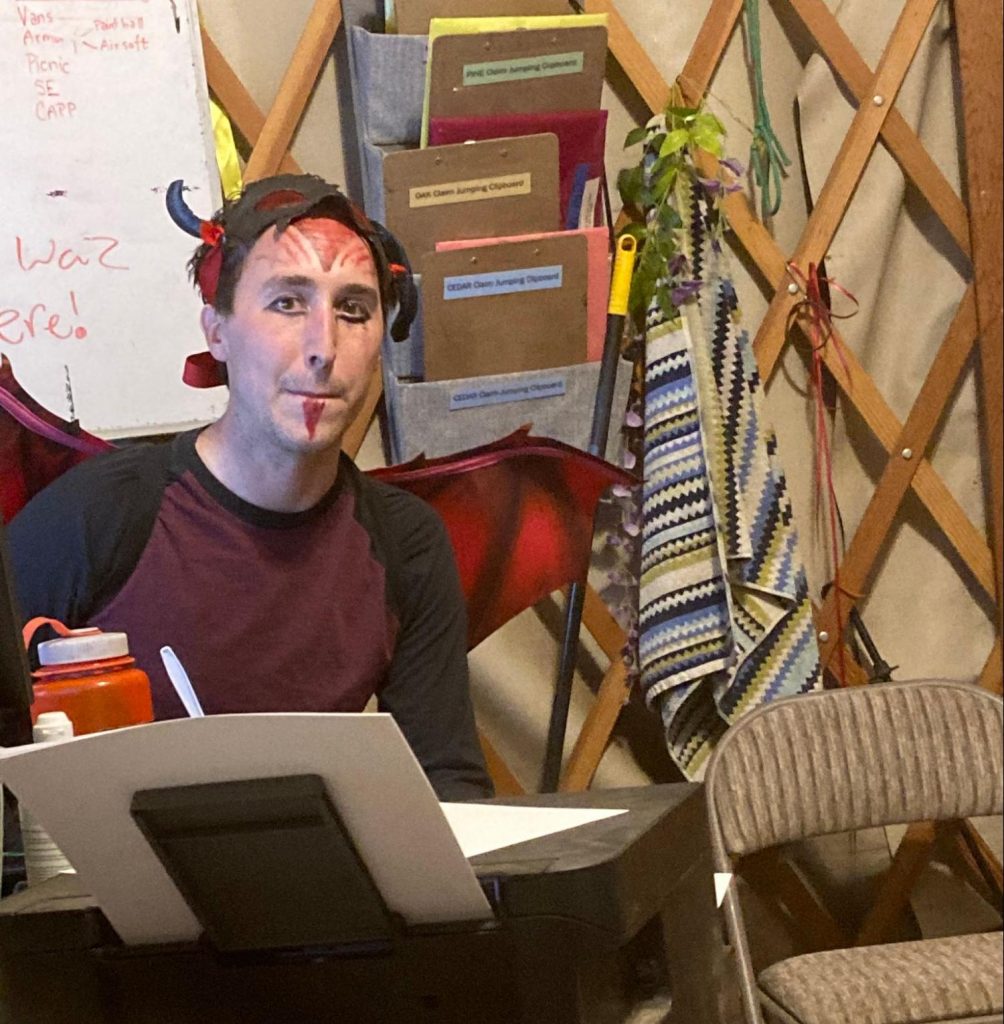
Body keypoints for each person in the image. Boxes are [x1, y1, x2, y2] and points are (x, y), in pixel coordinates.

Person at [7, 174, 492, 801]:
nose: (323, 347)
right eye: (287, 303)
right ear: (217, 332)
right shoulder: (105, 513)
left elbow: (448, 784)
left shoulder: (404, 545)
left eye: (353, 309)